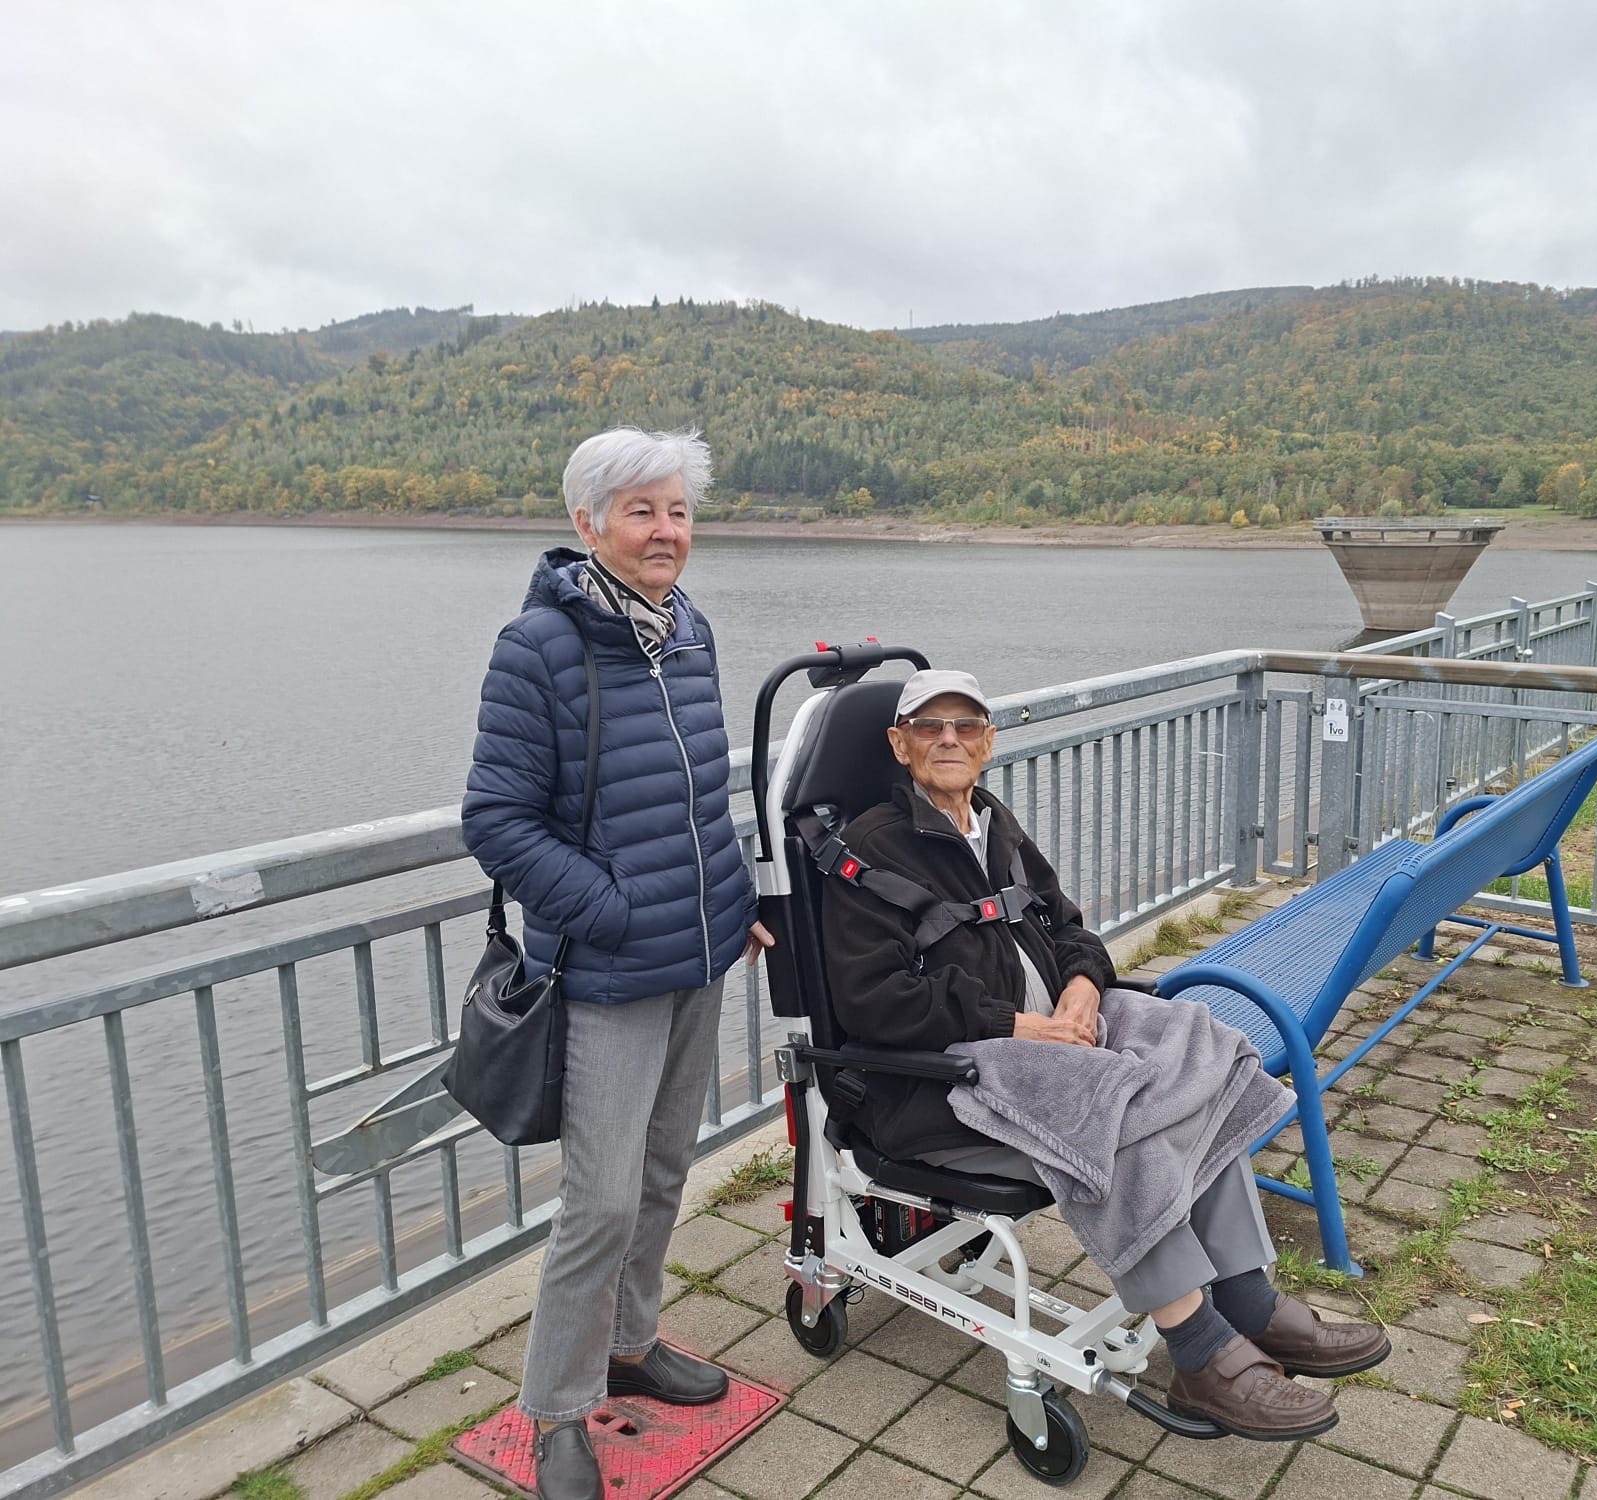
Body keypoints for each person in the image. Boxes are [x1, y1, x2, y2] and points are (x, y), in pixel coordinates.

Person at [820, 669, 1389, 1443]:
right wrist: (1021, 1025)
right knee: (1123, 1115)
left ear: (988, 742)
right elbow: (873, 1003)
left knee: (1198, 1070)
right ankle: (1199, 1350)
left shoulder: (992, 821)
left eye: (965, 726)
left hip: (1059, 1035)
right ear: (899, 743)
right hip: (943, 1082)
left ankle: (1247, 1301)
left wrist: (1084, 986)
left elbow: (1070, 927)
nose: (948, 739)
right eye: (928, 726)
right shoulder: (867, 851)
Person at [462, 427, 774, 1500]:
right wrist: (608, 910)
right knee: (595, 1202)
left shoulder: (689, 630)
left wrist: (731, 902)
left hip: (698, 958)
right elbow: (496, 822)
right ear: (586, 523)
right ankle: (553, 1409)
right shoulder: (537, 647)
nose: (666, 532)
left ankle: (631, 1344)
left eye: (678, 511)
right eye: (641, 512)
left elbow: (696, 801)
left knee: (660, 1172)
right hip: (603, 971)